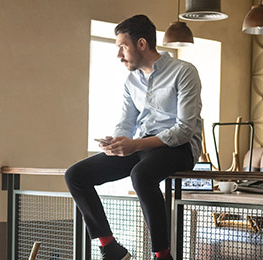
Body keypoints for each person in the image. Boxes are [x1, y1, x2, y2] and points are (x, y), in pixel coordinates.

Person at [65, 14, 203, 260]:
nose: (119, 55)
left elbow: (184, 129)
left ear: (141, 44)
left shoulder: (184, 72)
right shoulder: (131, 81)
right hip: (144, 147)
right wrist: (117, 142)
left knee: (141, 174)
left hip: (180, 148)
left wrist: (134, 144)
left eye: (122, 47)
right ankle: (110, 247)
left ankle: (162, 255)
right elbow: (127, 122)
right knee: (75, 175)